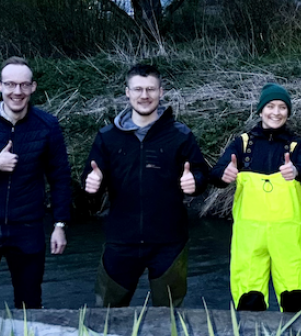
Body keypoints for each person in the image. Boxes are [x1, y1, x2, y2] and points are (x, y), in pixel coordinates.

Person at [0, 58, 71, 336]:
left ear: (33, 87)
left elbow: (60, 177)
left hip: (27, 227)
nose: (17, 91)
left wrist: (60, 224)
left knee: (30, 303)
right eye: (10, 84)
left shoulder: (47, 125)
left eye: (24, 84)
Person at [82, 64, 208, 308]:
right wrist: (92, 184)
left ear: (161, 92)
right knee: (107, 315)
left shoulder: (180, 134)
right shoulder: (107, 136)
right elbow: (90, 181)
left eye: (151, 89)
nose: (144, 95)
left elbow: (201, 173)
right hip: (121, 240)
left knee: (169, 315)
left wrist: (195, 182)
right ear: (127, 93)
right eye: (138, 89)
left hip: (169, 241)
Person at [210, 83, 301, 312]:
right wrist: (225, 174)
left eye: (282, 107)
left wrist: (297, 171)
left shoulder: (296, 144)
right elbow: (216, 174)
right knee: (249, 297)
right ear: (260, 111)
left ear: (287, 112)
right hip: (249, 234)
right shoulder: (242, 143)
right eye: (270, 106)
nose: (276, 112)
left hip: (287, 233)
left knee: (294, 293)